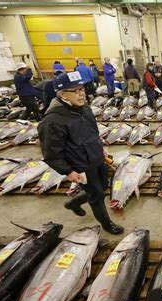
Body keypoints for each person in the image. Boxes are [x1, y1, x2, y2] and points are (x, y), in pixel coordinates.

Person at [38, 71, 124, 235]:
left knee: (104, 186)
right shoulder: (52, 121)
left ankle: (73, 203)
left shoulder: (84, 108)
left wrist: (100, 149)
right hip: (81, 165)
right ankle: (107, 224)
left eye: (82, 89)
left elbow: (92, 133)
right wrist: (68, 172)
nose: (81, 94)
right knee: (97, 195)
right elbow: (51, 154)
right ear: (63, 95)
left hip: (96, 158)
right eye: (75, 91)